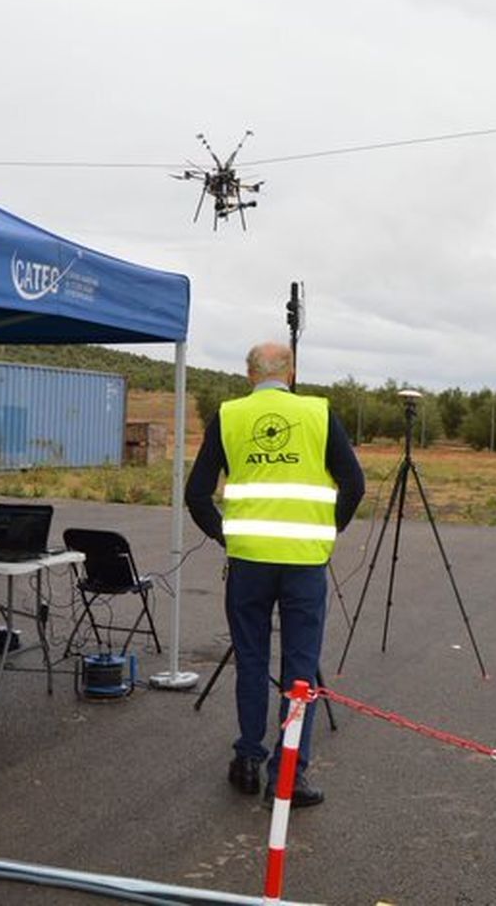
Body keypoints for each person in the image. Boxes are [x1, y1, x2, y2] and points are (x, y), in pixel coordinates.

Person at [186, 341, 365, 808]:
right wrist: (327, 530)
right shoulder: (319, 414)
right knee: (300, 669)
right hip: (304, 562)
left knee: (251, 660)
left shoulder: (228, 416)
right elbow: (354, 483)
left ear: (249, 375)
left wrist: (227, 535)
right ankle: (288, 776)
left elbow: (196, 494)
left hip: (248, 562)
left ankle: (247, 758)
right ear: (291, 373)